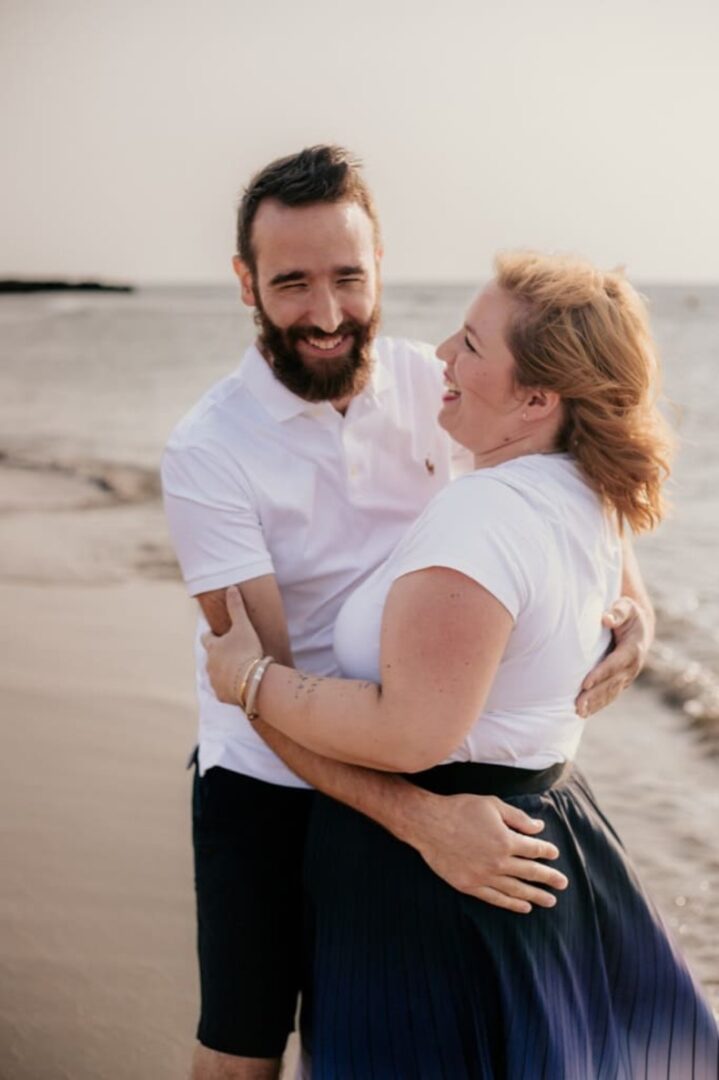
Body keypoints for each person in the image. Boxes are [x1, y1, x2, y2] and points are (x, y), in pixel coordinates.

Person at [162, 147, 653, 1080]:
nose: (326, 312)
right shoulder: (207, 451)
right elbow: (256, 688)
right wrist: (423, 820)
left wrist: (639, 611)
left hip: (420, 744)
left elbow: (569, 475)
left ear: (380, 263)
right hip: (269, 772)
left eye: (348, 276)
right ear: (244, 282)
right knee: (243, 1056)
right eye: (291, 282)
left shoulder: (438, 382)